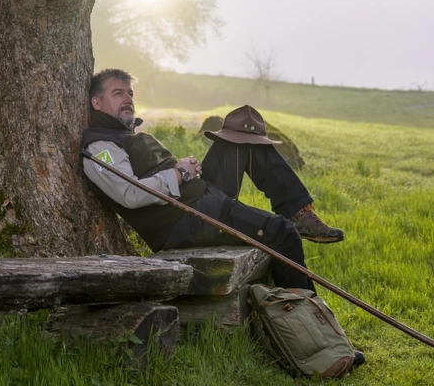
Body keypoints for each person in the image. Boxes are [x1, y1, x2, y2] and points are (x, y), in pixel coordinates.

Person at [80, 68, 346, 292]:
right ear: (97, 103)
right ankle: (313, 336)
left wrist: (188, 170)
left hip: (200, 199)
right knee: (282, 234)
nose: (128, 99)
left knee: (243, 132)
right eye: (118, 93)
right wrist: (180, 173)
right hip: (186, 221)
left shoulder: (121, 137)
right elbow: (130, 194)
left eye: (130, 94)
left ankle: (300, 213)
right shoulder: (101, 148)